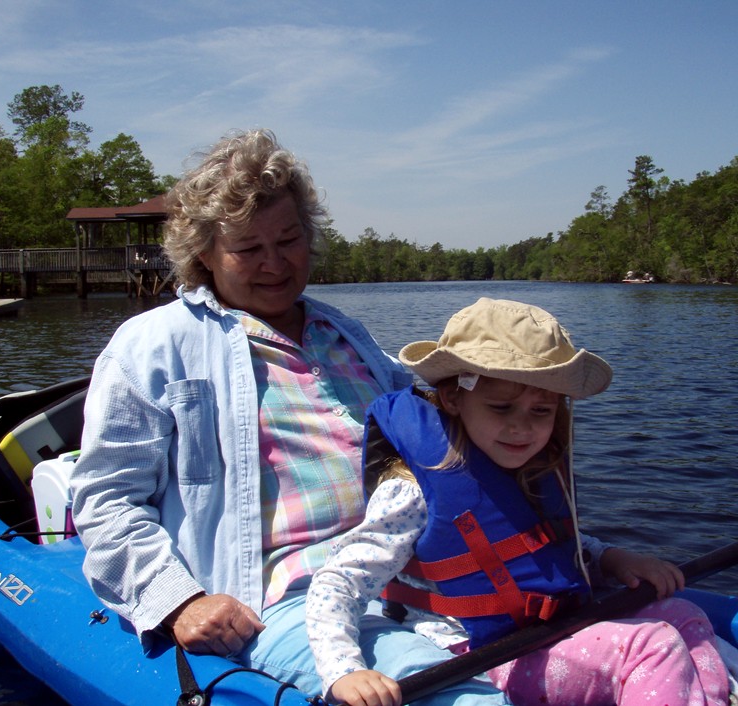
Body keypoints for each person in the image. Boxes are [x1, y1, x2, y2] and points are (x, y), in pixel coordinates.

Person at [70, 130, 510, 705]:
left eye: (289, 239)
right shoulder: (153, 345)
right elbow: (105, 501)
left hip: (406, 573)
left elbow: (437, 442)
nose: (274, 263)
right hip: (290, 598)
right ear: (204, 253)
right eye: (248, 249)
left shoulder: (348, 335)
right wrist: (179, 601)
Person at [306, 297, 730, 706]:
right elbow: (338, 581)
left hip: (547, 628)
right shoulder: (412, 489)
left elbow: (538, 547)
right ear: (454, 398)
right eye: (502, 407)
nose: (521, 428)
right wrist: (344, 670)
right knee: (652, 645)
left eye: (541, 412)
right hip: (478, 653)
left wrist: (611, 559)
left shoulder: (526, 467)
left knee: (685, 614)